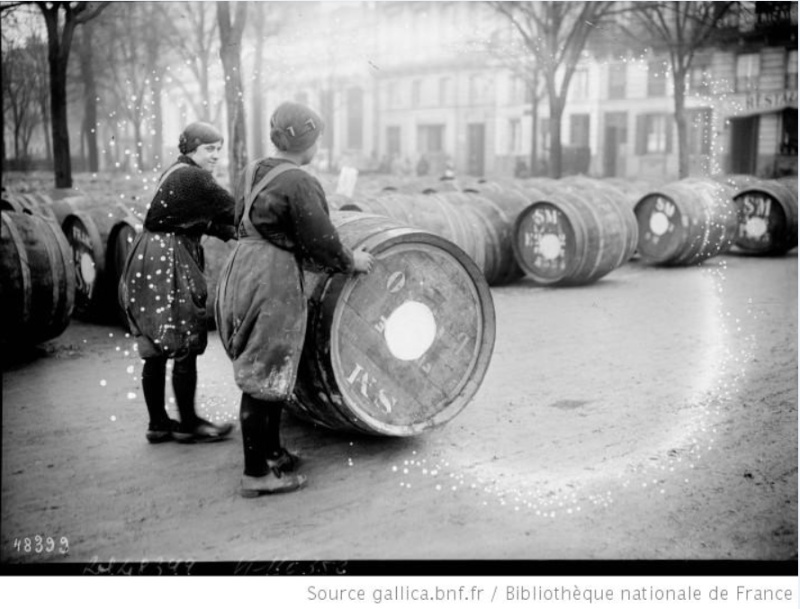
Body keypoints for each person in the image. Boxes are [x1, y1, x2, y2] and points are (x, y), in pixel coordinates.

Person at [215, 101, 374, 498]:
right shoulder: (300, 182)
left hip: (243, 267)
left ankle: (271, 453)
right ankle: (256, 474)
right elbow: (322, 241)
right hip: (272, 276)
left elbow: (240, 218)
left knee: (266, 365)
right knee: (263, 372)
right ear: (308, 140)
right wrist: (351, 260)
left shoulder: (254, 169)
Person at [119, 122, 237, 444]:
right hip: (169, 255)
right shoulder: (195, 177)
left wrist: (226, 234)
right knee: (186, 337)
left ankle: (158, 423)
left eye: (218, 149)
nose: (215, 156)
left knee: (154, 344)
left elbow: (200, 218)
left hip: (146, 252)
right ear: (191, 150)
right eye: (209, 149)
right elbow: (234, 210)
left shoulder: (175, 172)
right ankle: (189, 424)